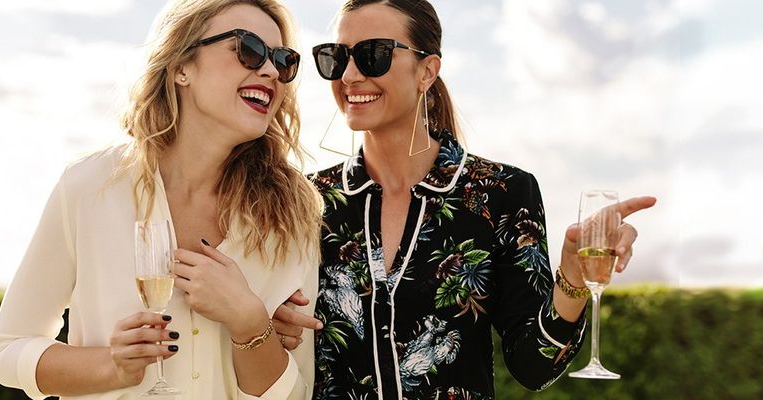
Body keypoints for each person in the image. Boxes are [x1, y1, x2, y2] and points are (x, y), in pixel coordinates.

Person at [269, 0, 658, 398]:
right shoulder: (304, 201)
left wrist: (573, 278)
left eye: (374, 54)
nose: (350, 75)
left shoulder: (504, 193)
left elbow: (532, 367)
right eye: (337, 57)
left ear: (427, 71)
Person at [0, 0, 322, 398]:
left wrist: (249, 321)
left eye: (284, 61)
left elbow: (295, 392)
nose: (269, 71)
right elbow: (8, 350)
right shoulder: (91, 187)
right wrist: (111, 367)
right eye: (248, 49)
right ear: (181, 67)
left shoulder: (291, 212)